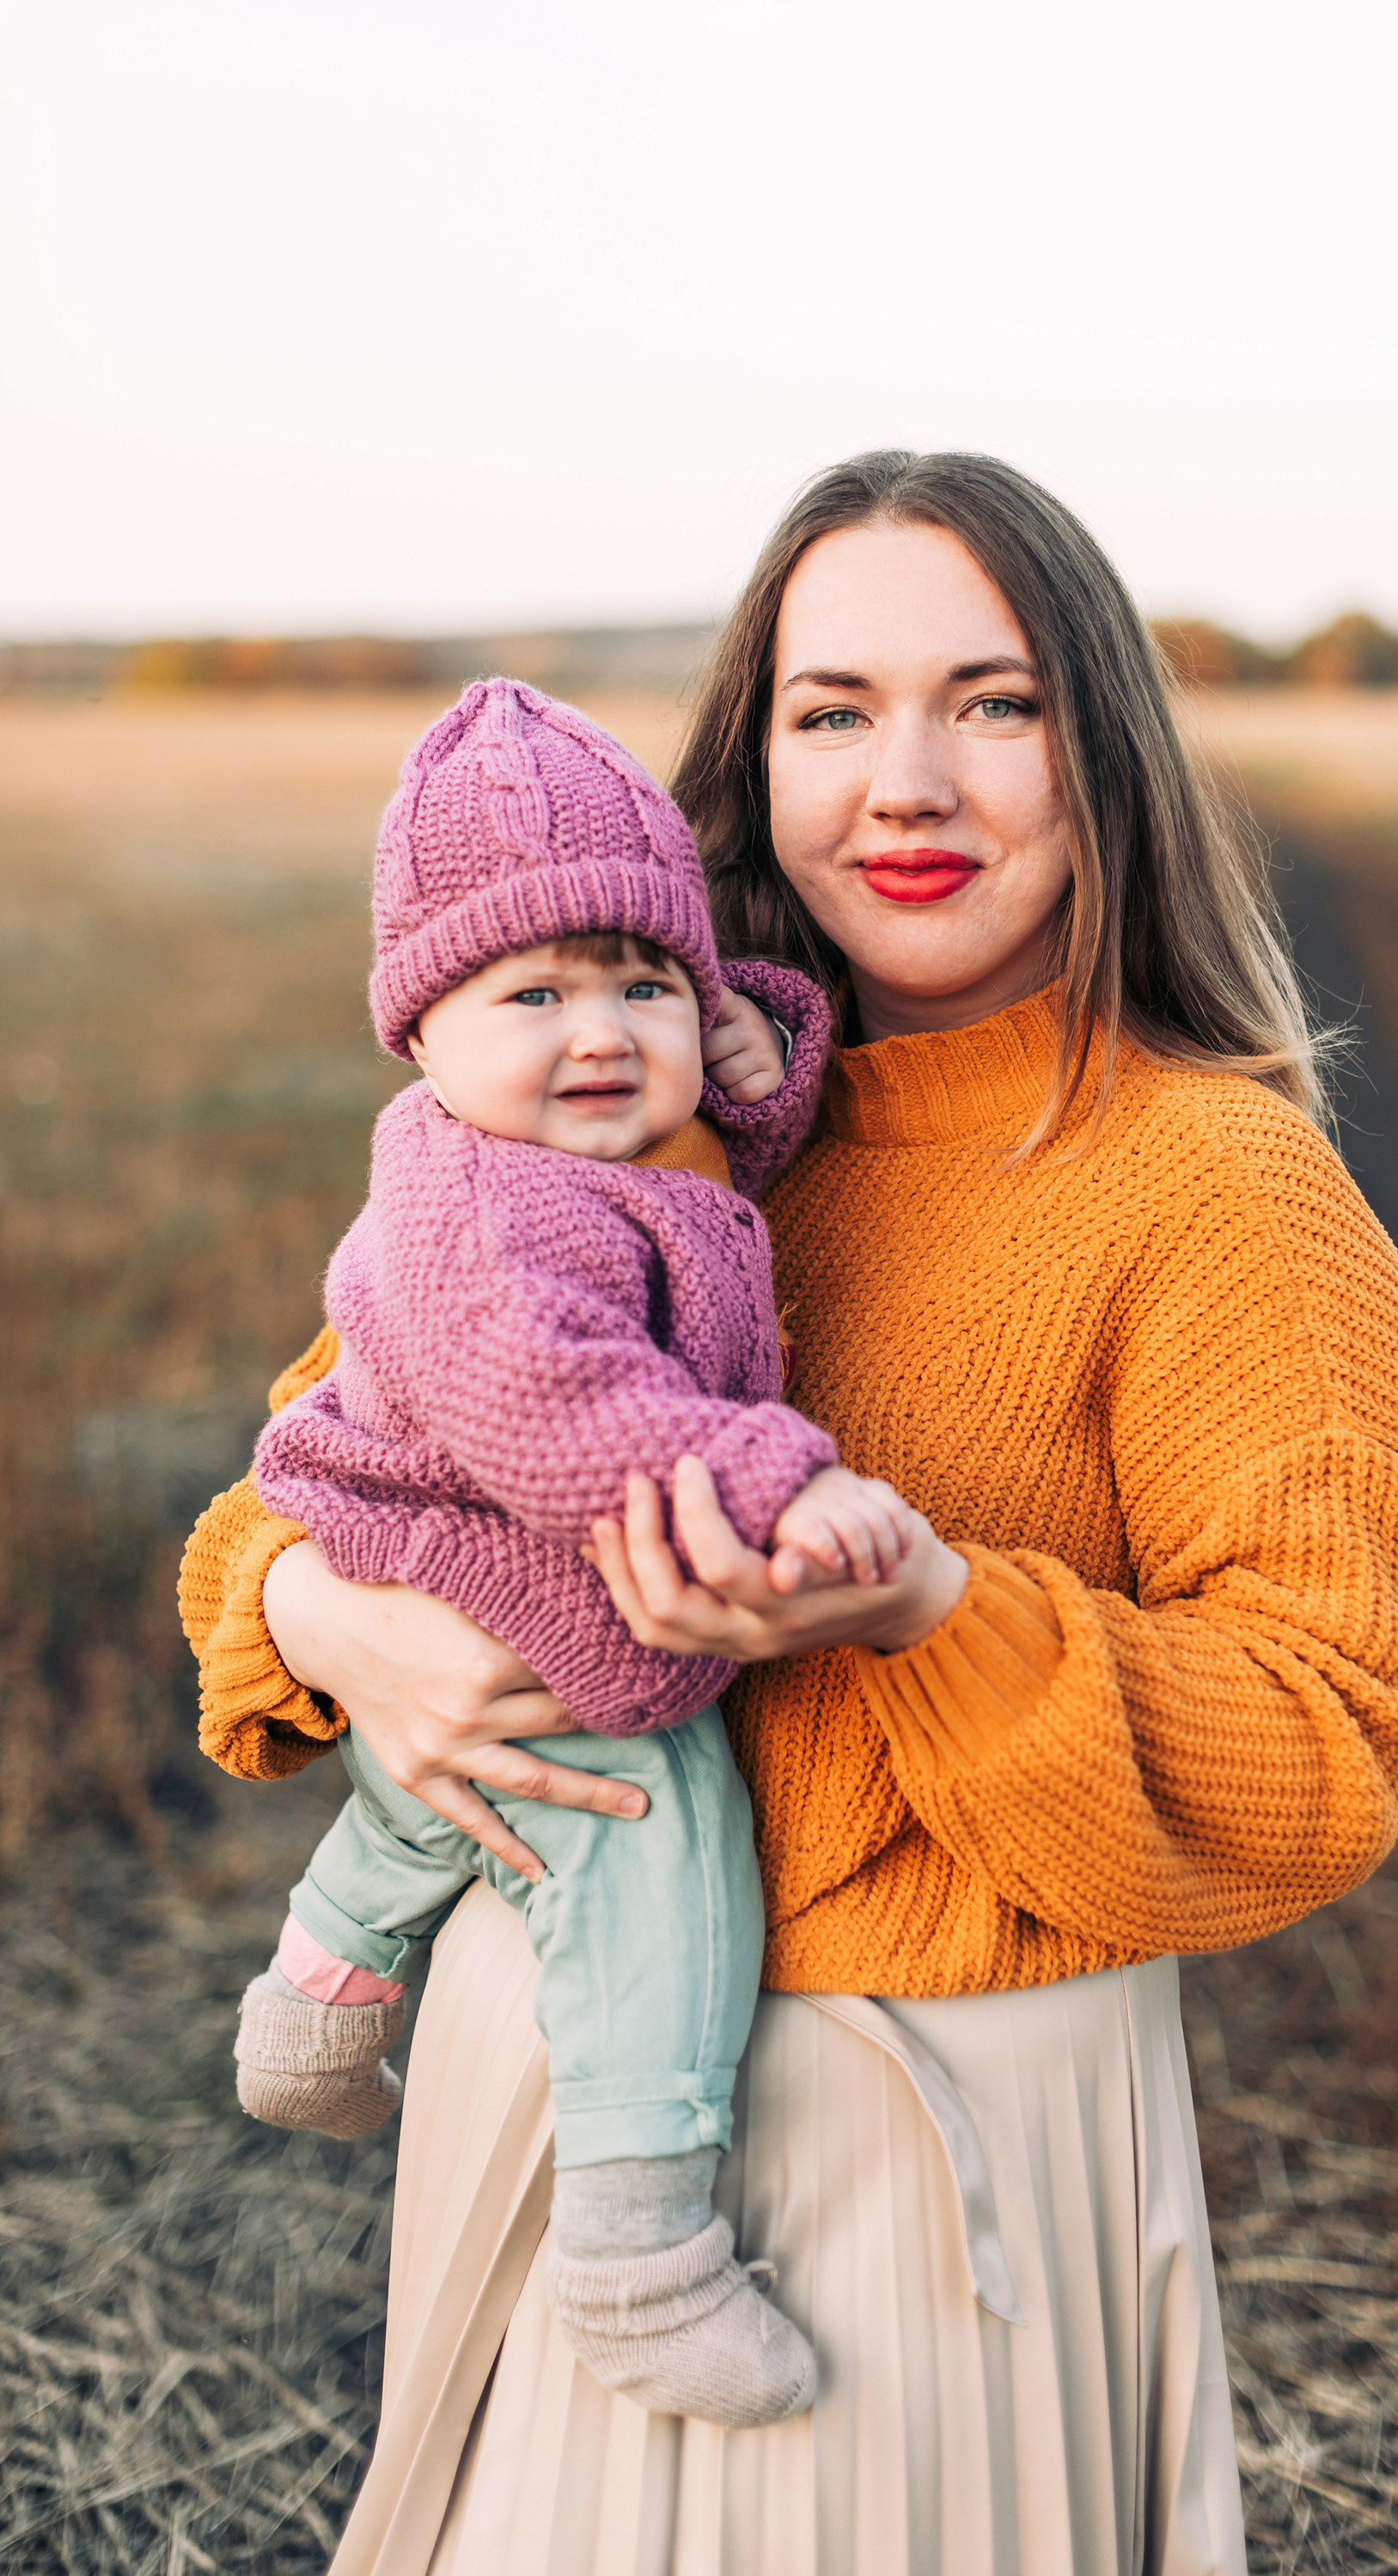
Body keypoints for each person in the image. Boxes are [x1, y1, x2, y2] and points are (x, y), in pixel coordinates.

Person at [180, 450, 1398, 2576]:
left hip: (921, 2170)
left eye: (997, 700)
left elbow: (1327, 1737)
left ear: (1103, 749)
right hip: (541, 2075)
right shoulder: (634, 1102)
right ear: (749, 759)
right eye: (833, 708)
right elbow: (301, 1470)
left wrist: (927, 1609)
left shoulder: (1216, 1189)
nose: (909, 783)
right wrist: (332, 1627)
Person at [233, 676, 919, 2430]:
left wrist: (749, 1049)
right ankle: (637, 2256)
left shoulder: (555, 1133)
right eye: (531, 989)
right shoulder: (468, 1219)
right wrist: (771, 1479)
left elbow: (678, 1199)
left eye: (643, 980)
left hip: (437, 1538)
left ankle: (319, 1987)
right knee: (647, 1805)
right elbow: (567, 1391)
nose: (598, 1028)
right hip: (466, 1524)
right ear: (419, 1032)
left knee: (439, 1770)